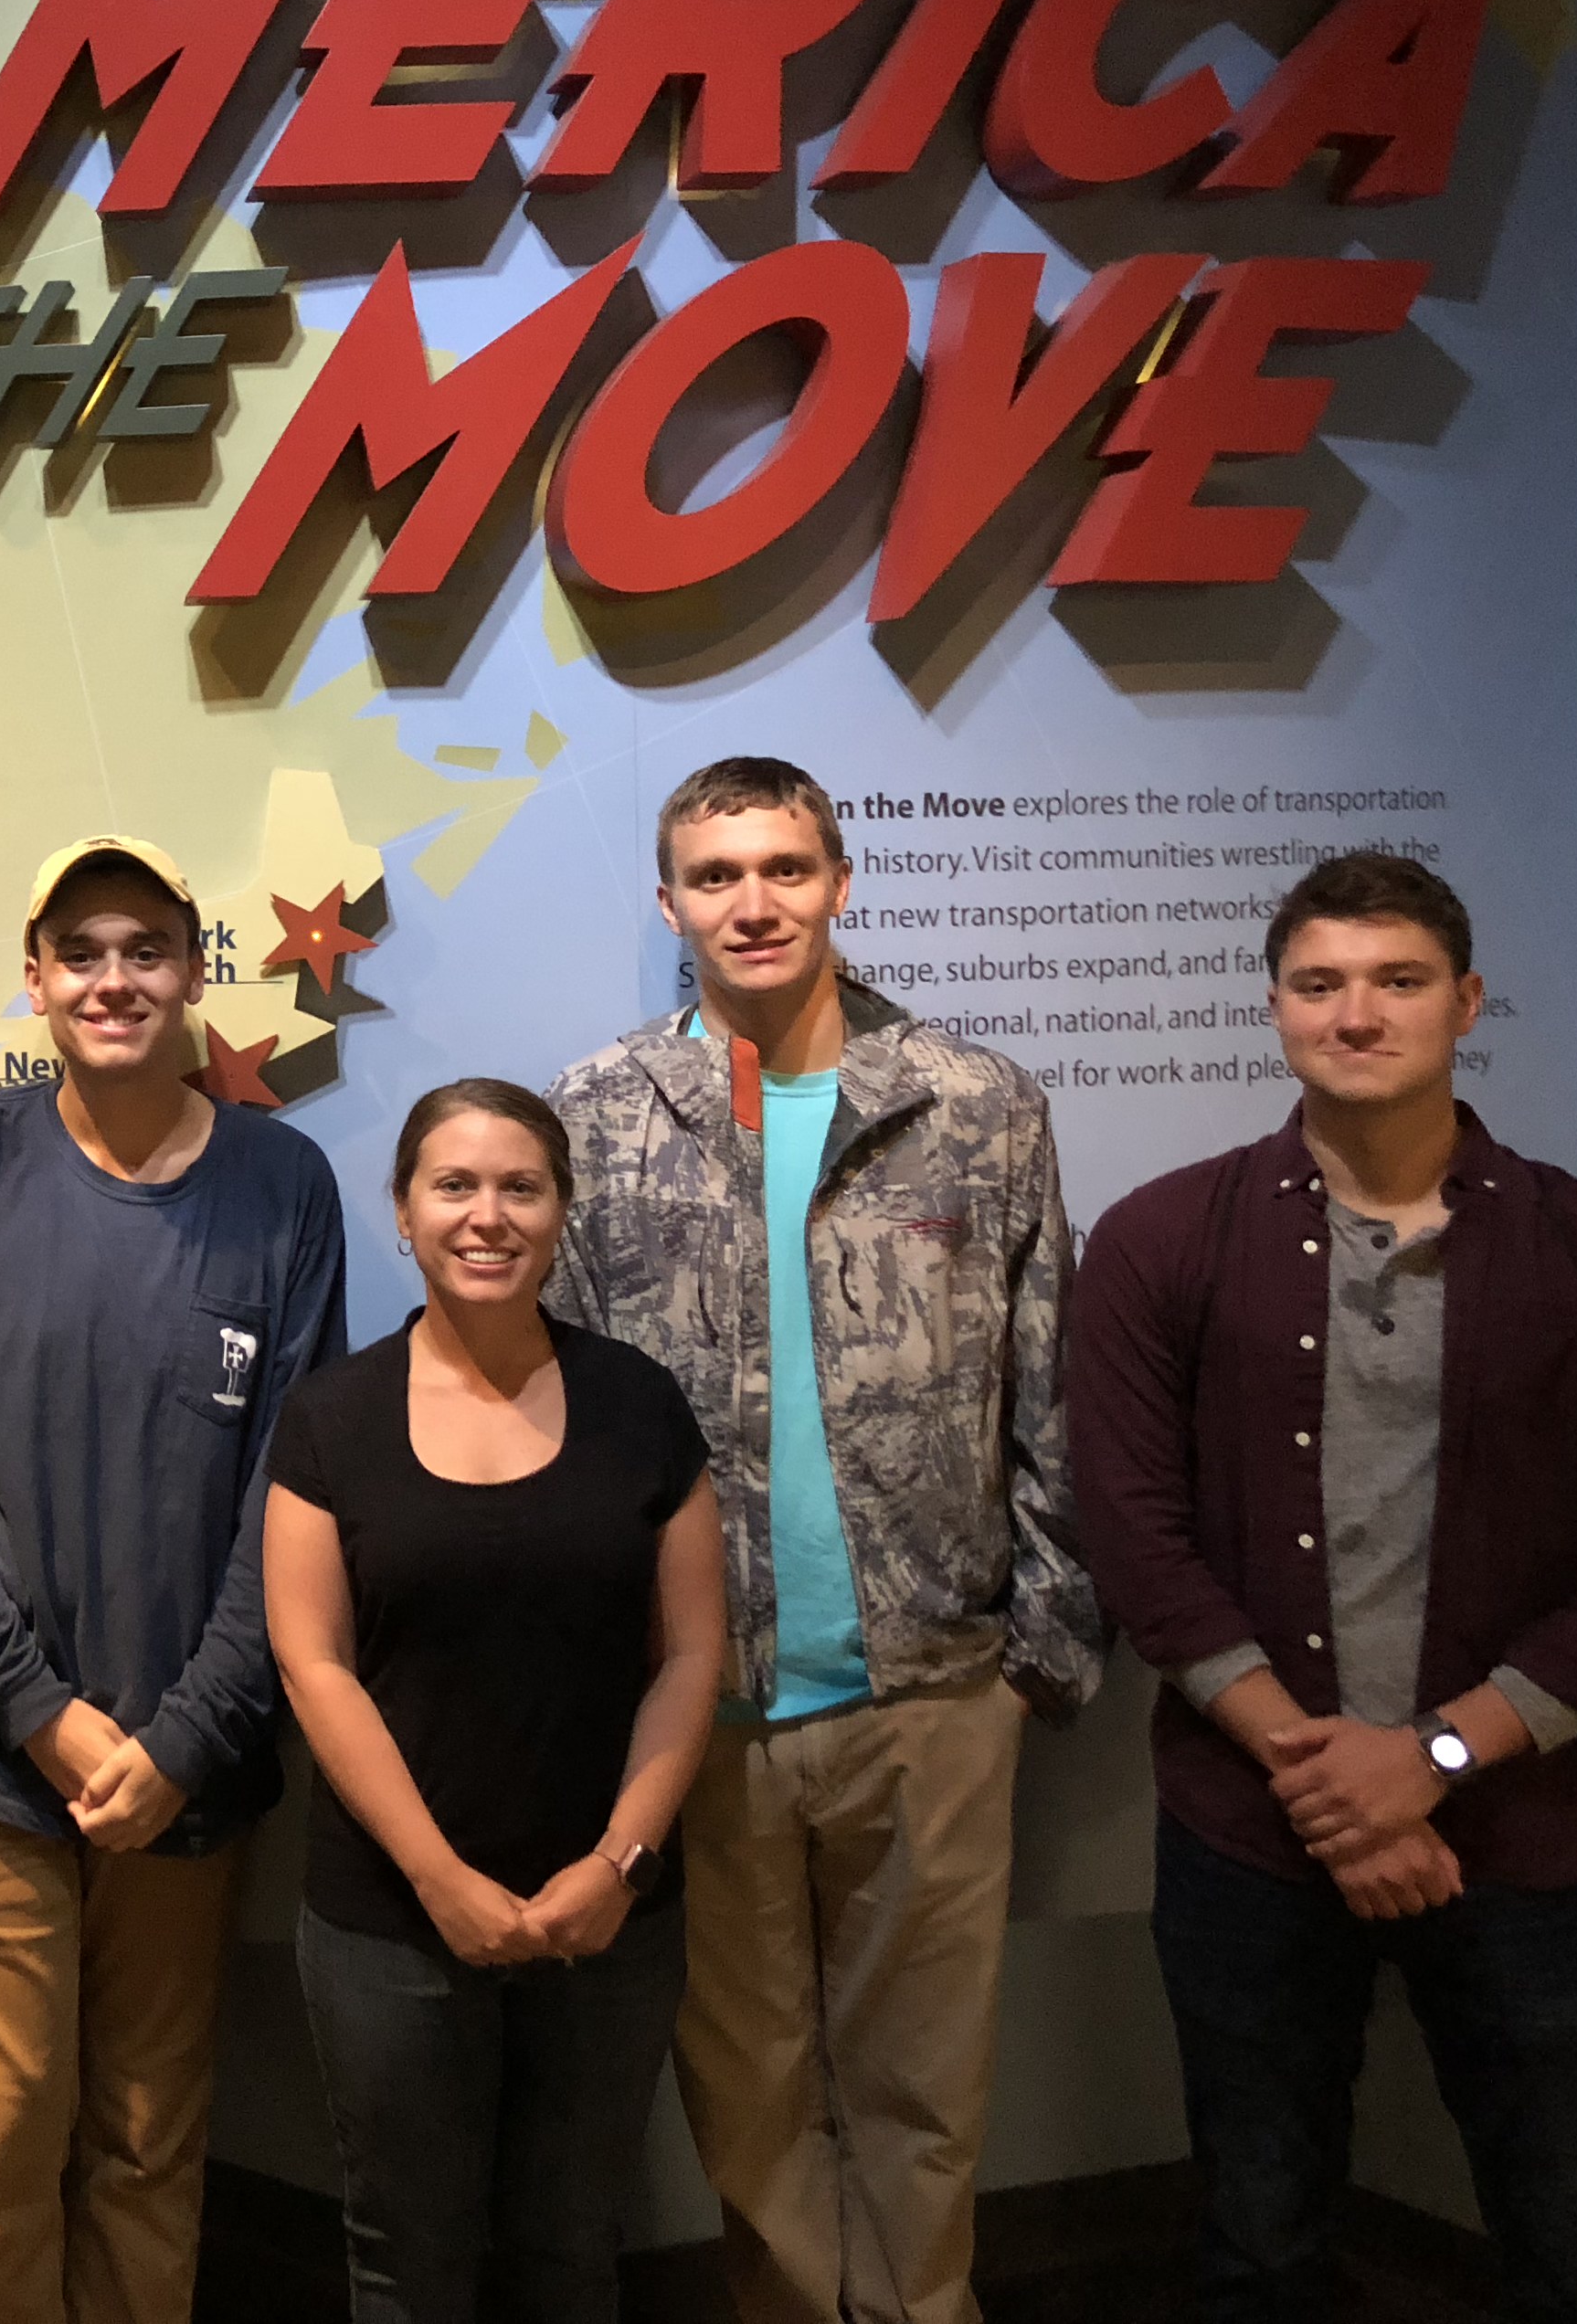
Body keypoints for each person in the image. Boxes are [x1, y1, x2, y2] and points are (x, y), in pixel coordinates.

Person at [1067, 852, 1577, 2322]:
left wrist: (1429, 1761)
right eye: (1320, 983)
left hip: (1521, 1839)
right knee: (1260, 2243)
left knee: (1576, 2254)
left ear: (1468, 1002)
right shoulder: (1165, 1243)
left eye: (1399, 979)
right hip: (1251, 1834)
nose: (1356, 1013)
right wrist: (1326, 1781)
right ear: (1277, 1007)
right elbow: (1134, 1536)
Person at [545, 755, 1101, 2324]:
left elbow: (1046, 1381)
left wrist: (1039, 1656)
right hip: (702, 1713)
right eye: (717, 876)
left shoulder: (972, 1103)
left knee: (928, 2102)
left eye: (786, 867)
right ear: (669, 905)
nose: (755, 902)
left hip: (930, 1693)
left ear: (842, 884)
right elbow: (568, 1418)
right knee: (750, 2102)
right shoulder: (598, 1113)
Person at [0, 834, 349, 2324]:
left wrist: (188, 1734)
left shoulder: (284, 1181)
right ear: (34, 979)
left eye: (146, 949)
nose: (114, 979)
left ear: (196, 975)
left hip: (188, 1771)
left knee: (151, 2147)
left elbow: (293, 1485)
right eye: (81, 952)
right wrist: (40, 1713)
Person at [268, 1080, 725, 2324]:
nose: (488, 1215)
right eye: (453, 1186)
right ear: (404, 1213)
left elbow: (691, 1654)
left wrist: (620, 1864)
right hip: (389, 1928)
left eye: (521, 1186)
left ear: (563, 1212)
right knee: (406, 2262)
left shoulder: (640, 1405)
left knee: (574, 2252)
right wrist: (438, 1879)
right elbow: (315, 1665)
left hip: (608, 1921)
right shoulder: (331, 1420)